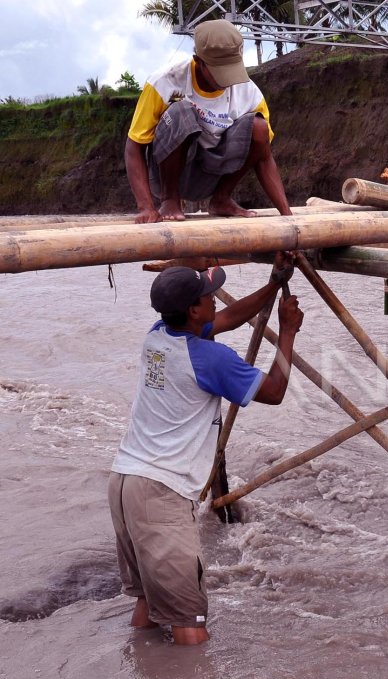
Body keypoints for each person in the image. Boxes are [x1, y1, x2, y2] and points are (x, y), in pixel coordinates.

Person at [109, 255, 303, 645]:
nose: (215, 300)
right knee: (189, 621)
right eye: (208, 297)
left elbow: (227, 318)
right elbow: (275, 392)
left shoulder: (158, 335)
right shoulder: (210, 358)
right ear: (194, 310)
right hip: (161, 493)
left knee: (150, 600)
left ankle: (137, 676)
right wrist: (287, 332)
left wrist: (273, 285)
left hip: (126, 483)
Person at [125, 19, 291, 224]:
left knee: (259, 127)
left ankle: (221, 198)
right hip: (168, 173)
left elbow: (264, 157)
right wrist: (146, 208)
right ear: (199, 61)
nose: (226, 80)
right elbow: (134, 146)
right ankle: (170, 199)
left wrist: (288, 217)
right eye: (219, 72)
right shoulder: (165, 82)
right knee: (182, 111)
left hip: (213, 173)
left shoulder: (250, 93)